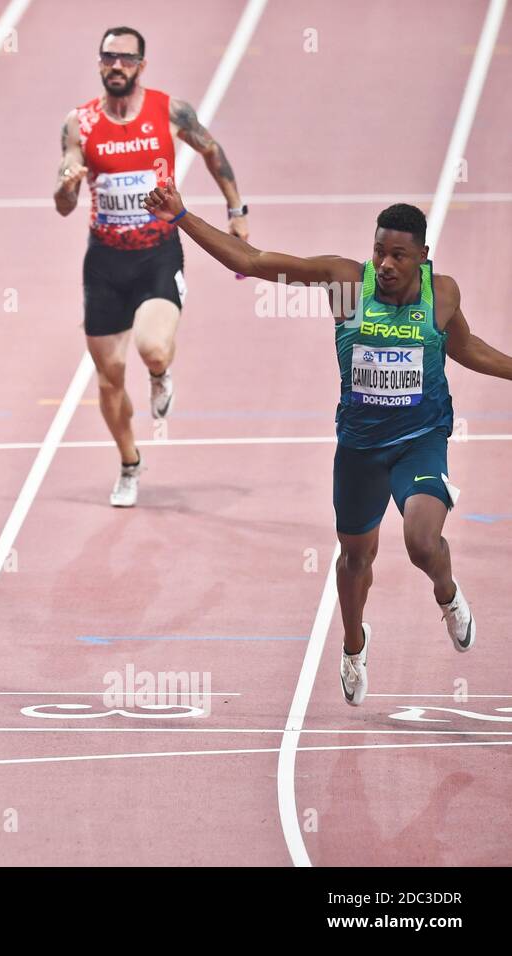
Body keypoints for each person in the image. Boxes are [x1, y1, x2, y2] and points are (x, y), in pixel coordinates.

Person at [143, 179, 508, 705]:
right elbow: (250, 258)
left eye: (398, 255)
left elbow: (466, 348)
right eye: (379, 250)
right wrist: (181, 216)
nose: (384, 263)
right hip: (359, 451)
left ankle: (447, 596)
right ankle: (354, 645)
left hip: (420, 440)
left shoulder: (442, 293)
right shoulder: (344, 283)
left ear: (422, 258)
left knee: (422, 543)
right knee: (356, 560)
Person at [55, 25, 249, 506]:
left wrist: (236, 210)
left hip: (158, 253)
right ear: (100, 63)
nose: (116, 66)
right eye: (108, 58)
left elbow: (211, 150)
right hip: (103, 261)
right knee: (109, 376)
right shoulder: (78, 124)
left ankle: (161, 377)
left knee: (154, 350)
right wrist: (67, 184)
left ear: (141, 65)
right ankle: (129, 464)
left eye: (126, 58)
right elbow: (63, 203)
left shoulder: (170, 111)